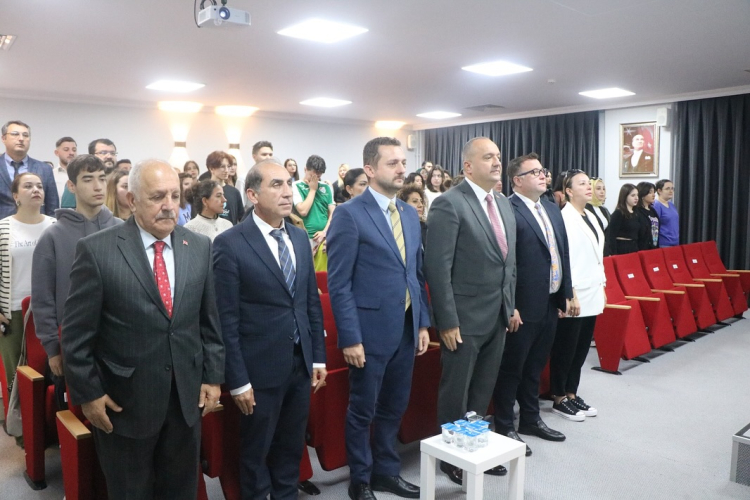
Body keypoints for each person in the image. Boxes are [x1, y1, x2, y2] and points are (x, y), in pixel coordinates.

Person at [61, 159, 224, 500]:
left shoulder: (198, 246)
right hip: (125, 403)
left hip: (185, 400)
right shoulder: (97, 250)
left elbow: (209, 321)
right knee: (130, 492)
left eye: (175, 196)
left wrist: (212, 376)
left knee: (180, 491)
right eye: (157, 196)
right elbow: (76, 336)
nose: (169, 205)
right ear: (132, 200)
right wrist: (88, 395)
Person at [213, 159, 326, 500]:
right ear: (252, 195)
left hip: (299, 364)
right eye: (276, 185)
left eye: (289, 183)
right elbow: (226, 320)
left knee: (291, 448)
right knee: (256, 451)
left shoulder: (298, 236)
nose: (288, 192)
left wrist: (318, 358)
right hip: (258, 370)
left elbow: (310, 302)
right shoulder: (231, 243)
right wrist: (238, 380)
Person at [328, 137, 430, 500]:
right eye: (393, 163)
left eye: (403, 162)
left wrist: (422, 322)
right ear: (370, 169)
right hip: (368, 332)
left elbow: (415, 273)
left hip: (406, 327)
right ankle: (360, 479)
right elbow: (339, 284)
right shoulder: (349, 214)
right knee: (363, 410)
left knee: (394, 406)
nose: (402, 169)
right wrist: (350, 337)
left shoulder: (408, 213)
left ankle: (387, 471)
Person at [424, 137, 517, 483]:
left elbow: (509, 262)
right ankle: (451, 457)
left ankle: (474, 445)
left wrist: (510, 305)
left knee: (482, 389)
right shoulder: (449, 204)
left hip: (497, 315)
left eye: (498, 156)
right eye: (488, 157)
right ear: (467, 166)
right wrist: (447, 321)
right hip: (463, 319)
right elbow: (438, 269)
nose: (497, 162)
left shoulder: (502, 202)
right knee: (457, 391)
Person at [494, 152, 574, 451]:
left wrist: (565, 292)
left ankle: (530, 418)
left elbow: (561, 252)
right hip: (522, 305)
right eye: (535, 172)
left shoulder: (551, 207)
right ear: (517, 180)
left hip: (550, 301)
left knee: (536, 365)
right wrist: (509, 305)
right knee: (512, 368)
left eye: (543, 170)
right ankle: (504, 425)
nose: (543, 175)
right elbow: (505, 262)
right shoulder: (507, 209)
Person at [32, 155, 121, 392]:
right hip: (73, 343)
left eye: (102, 178)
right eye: (88, 179)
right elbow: (42, 298)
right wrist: (53, 348)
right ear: (71, 186)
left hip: (120, 342)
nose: (98, 186)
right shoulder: (53, 236)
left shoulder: (123, 230)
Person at [0, 173, 56, 426]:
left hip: (51, 311)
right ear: (15, 196)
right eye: (28, 186)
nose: (36, 190)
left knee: (51, 371)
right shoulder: (3, 228)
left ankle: (50, 429)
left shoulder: (56, 226)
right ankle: (23, 430)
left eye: (39, 186)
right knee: (18, 374)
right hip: (12, 311)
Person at [549, 170, 605, 422]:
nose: (588, 187)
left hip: (593, 289)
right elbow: (565, 259)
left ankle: (572, 392)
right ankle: (559, 396)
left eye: (588, 183)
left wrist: (603, 286)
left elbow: (597, 256)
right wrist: (569, 293)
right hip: (576, 293)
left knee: (581, 347)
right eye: (582, 184)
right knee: (566, 347)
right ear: (569, 191)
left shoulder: (591, 215)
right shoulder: (565, 217)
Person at [0, 121, 59, 219]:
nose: (21, 139)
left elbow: (52, 207)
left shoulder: (45, 169)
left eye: (25, 135)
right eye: (15, 134)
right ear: (4, 138)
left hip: (37, 225)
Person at [293, 155, 335, 254]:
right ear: (305, 170)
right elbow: (303, 211)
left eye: (318, 176)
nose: (315, 179)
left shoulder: (326, 187)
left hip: (324, 237)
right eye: (312, 176)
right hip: (304, 237)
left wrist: (325, 232)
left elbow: (333, 213)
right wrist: (312, 190)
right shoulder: (296, 186)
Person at [607, 183, 647, 255]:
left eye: (637, 195)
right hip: (622, 247)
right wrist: (613, 253)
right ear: (625, 196)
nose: (636, 198)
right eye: (633, 195)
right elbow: (611, 235)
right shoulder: (619, 213)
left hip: (634, 247)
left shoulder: (637, 213)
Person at [206, 151, 243, 225]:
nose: (226, 170)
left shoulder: (234, 192)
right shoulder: (203, 191)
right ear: (212, 169)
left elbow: (242, 218)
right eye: (222, 167)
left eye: (228, 166)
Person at [238, 141, 274, 206]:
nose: (268, 157)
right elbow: (240, 206)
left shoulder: (275, 178)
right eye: (264, 154)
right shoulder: (243, 179)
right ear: (254, 157)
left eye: (270, 155)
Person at [653, 179, 678, 247]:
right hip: (663, 244)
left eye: (672, 188)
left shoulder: (671, 205)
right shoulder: (656, 205)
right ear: (659, 191)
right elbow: (654, 227)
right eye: (667, 189)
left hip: (675, 243)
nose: (671, 191)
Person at [636, 181, 659, 250]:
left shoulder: (652, 210)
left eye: (654, 192)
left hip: (654, 246)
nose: (653, 195)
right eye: (650, 192)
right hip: (642, 247)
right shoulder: (637, 211)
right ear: (642, 195)